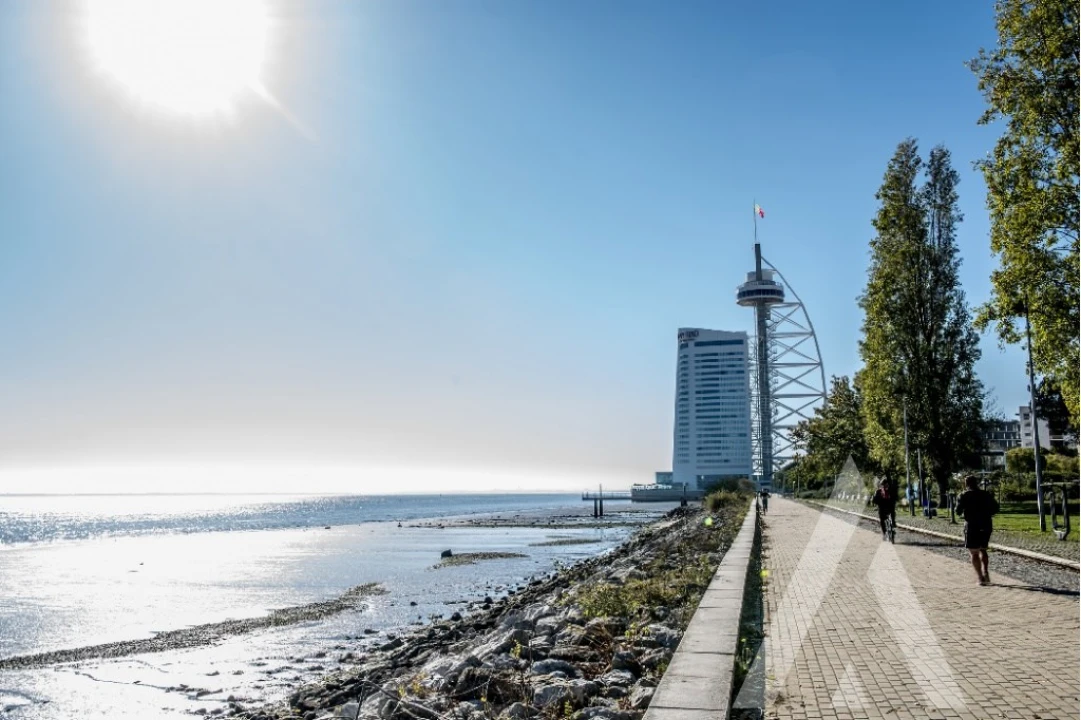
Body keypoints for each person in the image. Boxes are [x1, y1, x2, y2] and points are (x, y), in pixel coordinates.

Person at [955, 475, 999, 585]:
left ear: (966, 484)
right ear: (977, 483)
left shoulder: (964, 495)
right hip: (986, 524)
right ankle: (986, 572)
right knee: (983, 549)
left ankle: (980, 578)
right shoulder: (986, 494)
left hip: (971, 525)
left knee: (974, 552)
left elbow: (958, 511)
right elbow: (996, 508)